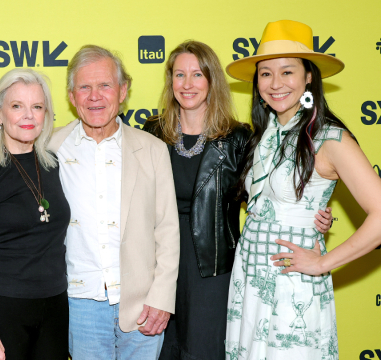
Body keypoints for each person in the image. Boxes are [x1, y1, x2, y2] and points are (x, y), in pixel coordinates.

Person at [0, 45, 180, 360]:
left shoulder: (152, 149)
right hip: (78, 305)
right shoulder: (49, 146)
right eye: (84, 87)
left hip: (143, 305)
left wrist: (162, 297)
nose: (94, 96)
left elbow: (167, 229)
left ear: (122, 91)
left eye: (105, 85)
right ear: (71, 97)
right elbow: (9, 155)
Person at [142, 40, 333, 360]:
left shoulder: (239, 138)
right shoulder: (151, 132)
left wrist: (312, 214)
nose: (187, 84)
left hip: (212, 269)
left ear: (212, 81)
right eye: (179, 75)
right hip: (158, 264)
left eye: (198, 75)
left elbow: (267, 196)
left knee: (203, 352)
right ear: (170, 81)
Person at [224, 20, 381, 359]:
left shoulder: (330, 138)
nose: (275, 83)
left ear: (309, 76)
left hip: (291, 285)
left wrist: (323, 263)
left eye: (287, 72)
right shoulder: (264, 134)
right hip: (250, 280)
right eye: (265, 73)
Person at [0, 68, 70, 360]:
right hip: (3, 310)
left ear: (46, 114)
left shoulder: (53, 164)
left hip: (55, 308)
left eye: (37, 107)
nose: (28, 116)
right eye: (17, 106)